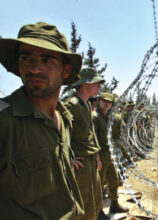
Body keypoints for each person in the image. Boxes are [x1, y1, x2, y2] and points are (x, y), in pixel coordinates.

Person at [0, 22, 84, 219]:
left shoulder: (64, 118)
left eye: (48, 60)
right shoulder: (5, 121)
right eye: (26, 58)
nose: (35, 69)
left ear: (65, 70)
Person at [64, 67, 106, 220]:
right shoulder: (71, 105)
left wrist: (97, 158)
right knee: (84, 208)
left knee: (96, 203)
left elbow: (91, 135)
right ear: (86, 83)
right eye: (97, 82)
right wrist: (69, 159)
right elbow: (61, 135)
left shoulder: (87, 105)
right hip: (80, 164)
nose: (99, 86)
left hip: (91, 162)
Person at [93, 93, 129, 214]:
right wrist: (97, 159)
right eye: (104, 101)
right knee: (99, 184)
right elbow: (93, 139)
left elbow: (114, 137)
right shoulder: (95, 117)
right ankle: (99, 211)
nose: (106, 104)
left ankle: (114, 204)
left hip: (109, 153)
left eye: (109, 102)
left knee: (113, 180)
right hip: (100, 155)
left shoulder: (109, 117)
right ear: (99, 101)